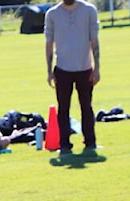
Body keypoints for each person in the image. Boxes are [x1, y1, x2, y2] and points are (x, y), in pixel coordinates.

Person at [45, 0, 100, 156]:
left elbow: (94, 39)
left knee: (86, 106)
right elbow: (49, 43)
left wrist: (97, 68)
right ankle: (64, 144)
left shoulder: (89, 10)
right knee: (63, 109)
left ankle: (90, 142)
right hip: (62, 69)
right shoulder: (52, 14)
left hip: (85, 68)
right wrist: (49, 71)